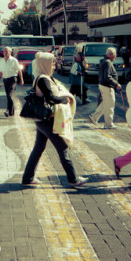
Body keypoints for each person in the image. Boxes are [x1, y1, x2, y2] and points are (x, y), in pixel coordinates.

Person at [22, 52, 87, 187]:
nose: (54, 65)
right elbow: (51, 97)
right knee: (63, 148)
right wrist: (66, 99)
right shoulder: (43, 79)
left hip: (43, 119)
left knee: (38, 148)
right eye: (52, 62)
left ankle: (27, 178)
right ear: (45, 63)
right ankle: (73, 179)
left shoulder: (44, 76)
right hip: (47, 119)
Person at [89, 47, 121, 129]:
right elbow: (107, 76)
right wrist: (116, 83)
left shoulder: (103, 61)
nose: (115, 56)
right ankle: (108, 124)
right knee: (110, 105)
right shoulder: (108, 62)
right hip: (107, 86)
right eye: (115, 55)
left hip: (103, 85)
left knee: (105, 104)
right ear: (110, 54)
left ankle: (94, 117)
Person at [0, 46, 23, 116]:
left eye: (6, 51)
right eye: (4, 51)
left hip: (13, 79)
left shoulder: (14, 60)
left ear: (10, 52)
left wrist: (21, 80)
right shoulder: (2, 60)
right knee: (9, 96)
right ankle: (11, 111)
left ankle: (8, 110)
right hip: (5, 80)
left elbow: (19, 70)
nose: (5, 53)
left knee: (9, 95)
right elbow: (0, 72)